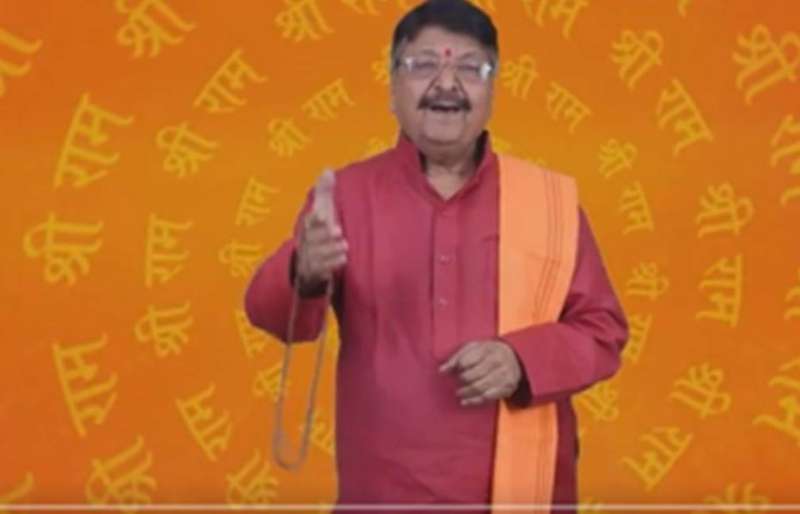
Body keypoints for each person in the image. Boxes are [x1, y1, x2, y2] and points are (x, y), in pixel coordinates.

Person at [244, 0, 628, 512]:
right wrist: (304, 273)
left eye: (470, 68)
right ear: (392, 88)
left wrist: (521, 360)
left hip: (522, 493)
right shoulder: (348, 196)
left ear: (492, 90)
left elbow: (603, 331)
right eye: (423, 64)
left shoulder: (548, 200)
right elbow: (274, 317)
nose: (447, 84)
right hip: (383, 492)